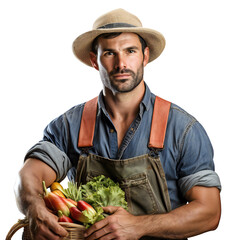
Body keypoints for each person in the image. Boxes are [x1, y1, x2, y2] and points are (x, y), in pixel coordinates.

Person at [15, 8, 221, 240]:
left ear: (144, 56)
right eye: (110, 53)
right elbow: (29, 175)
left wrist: (138, 226)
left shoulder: (183, 129)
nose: (121, 63)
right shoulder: (68, 126)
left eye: (130, 51)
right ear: (95, 60)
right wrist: (34, 207)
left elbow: (209, 212)